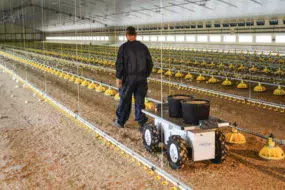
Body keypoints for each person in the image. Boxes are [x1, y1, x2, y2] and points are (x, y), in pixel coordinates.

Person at [114, 26, 153, 131]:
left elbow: (119, 64)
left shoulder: (123, 48)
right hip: (141, 79)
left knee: (125, 100)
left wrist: (118, 77)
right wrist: (145, 75)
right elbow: (150, 64)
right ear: (136, 35)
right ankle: (141, 122)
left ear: (126, 35)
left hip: (128, 79)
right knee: (140, 100)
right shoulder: (143, 47)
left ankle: (121, 121)